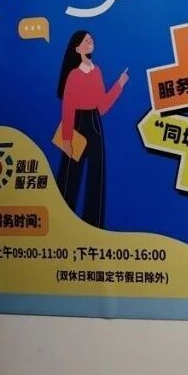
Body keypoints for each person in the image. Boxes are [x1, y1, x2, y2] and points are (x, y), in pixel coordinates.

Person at [54, 30, 127, 227]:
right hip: (77, 123)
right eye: (86, 41)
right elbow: (68, 107)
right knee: (70, 174)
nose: (90, 42)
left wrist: (119, 85)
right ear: (77, 48)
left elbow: (102, 107)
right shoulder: (73, 75)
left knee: (97, 174)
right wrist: (67, 138)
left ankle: (94, 224)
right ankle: (62, 221)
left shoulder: (97, 71)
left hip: (94, 123)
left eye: (90, 40)